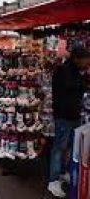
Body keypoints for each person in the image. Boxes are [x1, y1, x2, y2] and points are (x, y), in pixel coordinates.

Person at [48, 47, 90, 198]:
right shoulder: (63, 71)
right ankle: (53, 181)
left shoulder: (75, 71)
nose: (88, 62)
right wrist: (85, 81)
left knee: (71, 147)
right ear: (77, 58)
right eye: (86, 59)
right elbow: (73, 87)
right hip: (64, 117)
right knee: (59, 148)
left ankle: (63, 172)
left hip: (73, 116)